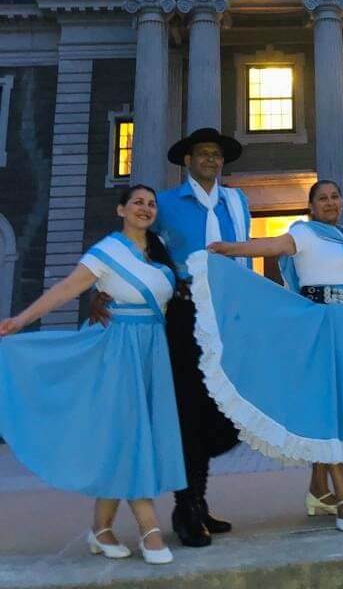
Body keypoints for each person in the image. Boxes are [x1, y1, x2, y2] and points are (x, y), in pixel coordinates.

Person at [197, 178, 343, 532]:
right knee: (331, 409)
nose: (331, 202)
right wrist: (231, 249)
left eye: (336, 197)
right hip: (324, 327)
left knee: (336, 406)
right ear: (312, 205)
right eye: (323, 198)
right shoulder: (304, 233)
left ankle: (319, 490)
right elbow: (272, 246)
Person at [0, 185, 183, 565]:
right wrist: (20, 320)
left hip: (152, 351)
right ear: (121, 210)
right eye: (137, 202)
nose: (145, 208)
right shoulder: (106, 252)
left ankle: (101, 528)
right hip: (118, 351)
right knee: (131, 434)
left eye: (151, 204)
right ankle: (148, 526)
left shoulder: (160, 252)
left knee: (126, 437)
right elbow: (67, 288)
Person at [156, 127, 251, 547]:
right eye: (203, 154)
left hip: (226, 313)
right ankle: (186, 506)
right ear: (188, 161)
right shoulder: (164, 203)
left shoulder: (237, 201)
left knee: (219, 408)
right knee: (189, 408)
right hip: (185, 314)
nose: (211, 160)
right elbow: (140, 247)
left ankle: (199, 499)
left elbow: (243, 255)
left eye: (216, 155)